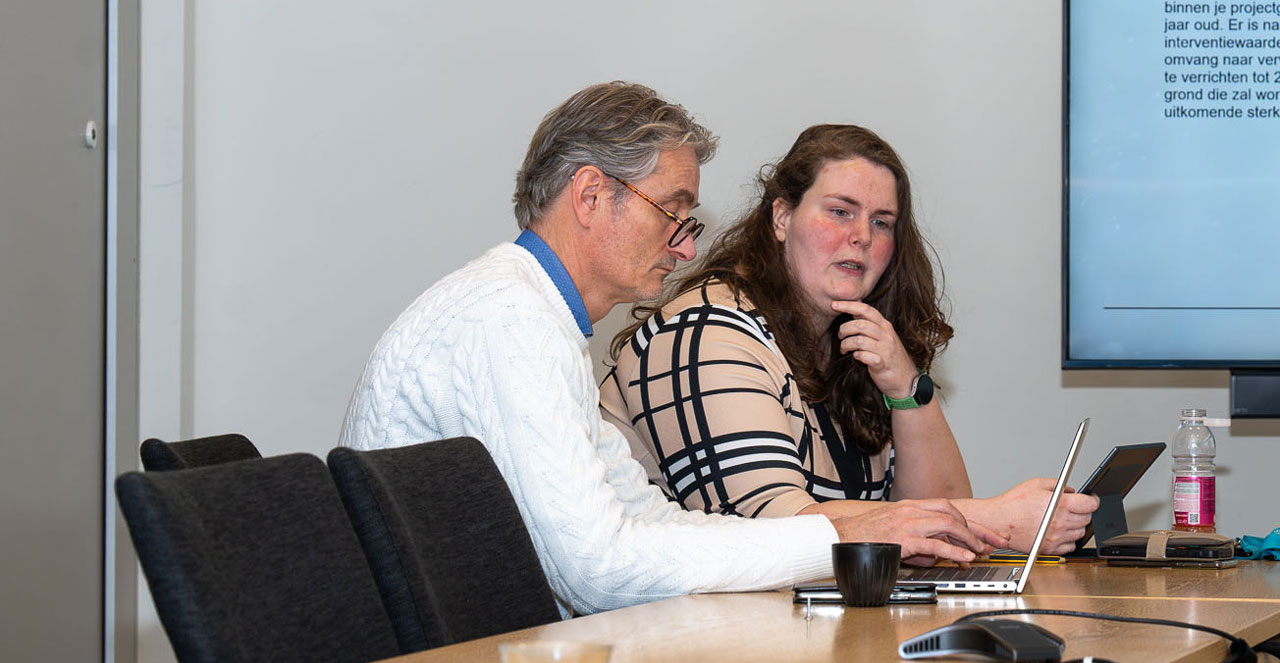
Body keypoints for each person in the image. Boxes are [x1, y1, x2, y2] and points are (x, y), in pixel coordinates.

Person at [341, 84, 996, 617]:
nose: (686, 246)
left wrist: (846, 536)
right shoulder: (510, 320)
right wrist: (835, 539)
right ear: (593, 196)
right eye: (673, 212)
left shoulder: (536, 318)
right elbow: (599, 574)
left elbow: (647, 520)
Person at [600, 123, 1097, 555]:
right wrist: (1001, 524)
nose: (862, 235)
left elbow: (937, 519)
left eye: (882, 222)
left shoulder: (852, 347)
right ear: (780, 218)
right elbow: (773, 531)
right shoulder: (709, 332)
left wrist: (906, 387)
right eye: (840, 211)